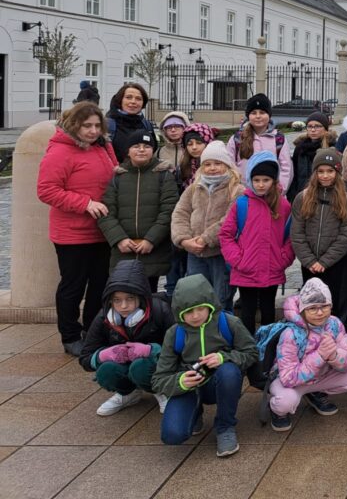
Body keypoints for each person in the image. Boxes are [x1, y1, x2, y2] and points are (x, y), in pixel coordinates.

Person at [37, 101, 119, 355]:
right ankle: (70, 335)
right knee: (73, 286)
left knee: (100, 283)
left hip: (102, 230)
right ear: (75, 125)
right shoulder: (60, 152)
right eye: (87, 126)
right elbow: (46, 190)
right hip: (72, 234)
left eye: (97, 125)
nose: (93, 131)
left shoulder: (103, 146)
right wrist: (84, 203)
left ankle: (92, 331)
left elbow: (115, 173)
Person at [151, 274, 257, 457]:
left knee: (229, 372)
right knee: (172, 436)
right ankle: (195, 411)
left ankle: (225, 427)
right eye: (189, 312)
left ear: (210, 305)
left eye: (200, 309)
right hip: (190, 387)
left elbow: (252, 353)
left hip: (220, 381)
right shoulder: (174, 333)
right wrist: (181, 381)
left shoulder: (229, 323)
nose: (195, 315)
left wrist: (223, 358)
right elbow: (158, 379)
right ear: (180, 313)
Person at [267, 277, 347, 431]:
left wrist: (334, 355)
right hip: (290, 382)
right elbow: (287, 378)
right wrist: (319, 356)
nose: (320, 313)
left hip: (319, 378)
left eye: (324, 306)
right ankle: (276, 410)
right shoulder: (291, 333)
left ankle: (315, 393)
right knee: (286, 401)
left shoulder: (334, 323)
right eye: (312, 308)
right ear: (302, 309)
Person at [79, 259, 175, 416]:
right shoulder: (104, 317)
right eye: (117, 300)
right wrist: (102, 355)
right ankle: (127, 393)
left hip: (155, 367)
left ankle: (160, 390)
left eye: (129, 298)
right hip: (123, 365)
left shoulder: (160, 310)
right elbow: (85, 358)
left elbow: (181, 349)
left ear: (141, 297)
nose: (123, 306)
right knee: (106, 370)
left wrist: (152, 350)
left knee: (140, 366)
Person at [219, 151, 294, 336]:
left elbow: (291, 237)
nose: (261, 184)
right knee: (248, 311)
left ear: (274, 181)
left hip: (272, 268)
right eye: (257, 180)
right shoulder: (242, 204)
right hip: (246, 270)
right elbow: (226, 234)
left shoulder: (283, 205)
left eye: (266, 180)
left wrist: (283, 259)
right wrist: (238, 260)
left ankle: (267, 346)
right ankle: (248, 349)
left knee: (269, 311)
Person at [98, 129, 179, 292]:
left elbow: (168, 211)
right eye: (136, 146)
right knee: (124, 295)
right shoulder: (118, 177)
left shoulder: (164, 176)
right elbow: (106, 212)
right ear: (128, 150)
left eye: (146, 146)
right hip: (123, 250)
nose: (141, 150)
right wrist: (119, 239)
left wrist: (151, 240)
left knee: (149, 295)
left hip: (152, 251)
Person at [171, 141, 244, 311]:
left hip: (221, 253)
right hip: (195, 252)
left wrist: (206, 238)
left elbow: (229, 220)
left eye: (218, 164)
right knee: (197, 296)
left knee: (221, 297)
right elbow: (180, 213)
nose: (212, 168)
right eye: (208, 164)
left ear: (227, 165)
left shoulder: (236, 189)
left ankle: (224, 332)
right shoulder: (194, 188)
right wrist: (184, 240)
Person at [290, 148, 347, 322]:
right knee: (312, 305)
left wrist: (325, 261)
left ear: (337, 173)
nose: (325, 176)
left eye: (330, 171)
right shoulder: (302, 197)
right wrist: (309, 260)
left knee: (334, 304)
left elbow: (346, 235)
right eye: (321, 171)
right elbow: (297, 232)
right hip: (310, 263)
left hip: (335, 262)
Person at [227, 93, 293, 194]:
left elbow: (286, 167)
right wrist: (237, 189)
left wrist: (279, 191)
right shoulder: (237, 139)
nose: (258, 116)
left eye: (262, 112)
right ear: (248, 115)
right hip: (243, 194)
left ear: (269, 115)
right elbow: (230, 166)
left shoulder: (278, 139)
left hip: (272, 196)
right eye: (253, 113)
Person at [287, 112, 336, 203]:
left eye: (317, 126)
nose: (313, 130)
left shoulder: (332, 147)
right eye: (309, 126)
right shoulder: (300, 148)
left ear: (325, 129)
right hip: (301, 195)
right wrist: (292, 196)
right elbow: (294, 174)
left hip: (324, 198)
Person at [106, 83, 154, 162]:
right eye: (128, 97)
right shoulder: (108, 125)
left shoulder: (147, 126)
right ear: (120, 100)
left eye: (138, 99)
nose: (133, 101)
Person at [175, 122, 216, 193]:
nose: (194, 147)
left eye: (199, 143)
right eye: (190, 144)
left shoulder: (218, 167)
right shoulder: (182, 168)